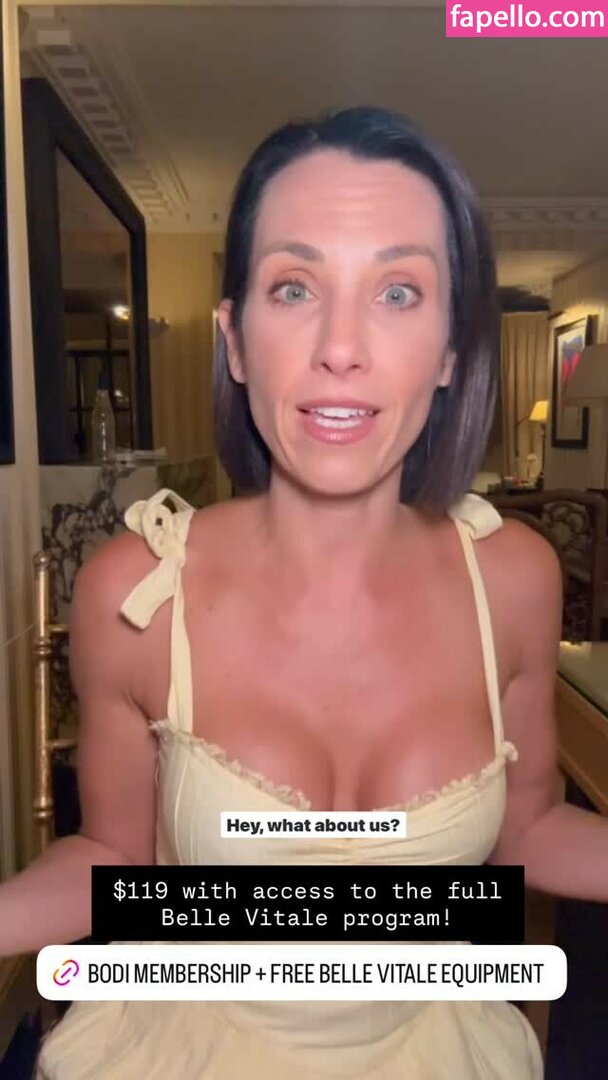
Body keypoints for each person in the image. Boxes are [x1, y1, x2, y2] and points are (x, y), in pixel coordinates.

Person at [2, 105, 606, 1078]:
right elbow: (114, 858)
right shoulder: (140, 593)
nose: (341, 346)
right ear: (236, 341)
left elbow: (527, 828)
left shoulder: (513, 579)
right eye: (293, 287)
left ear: (451, 353)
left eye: (398, 292)